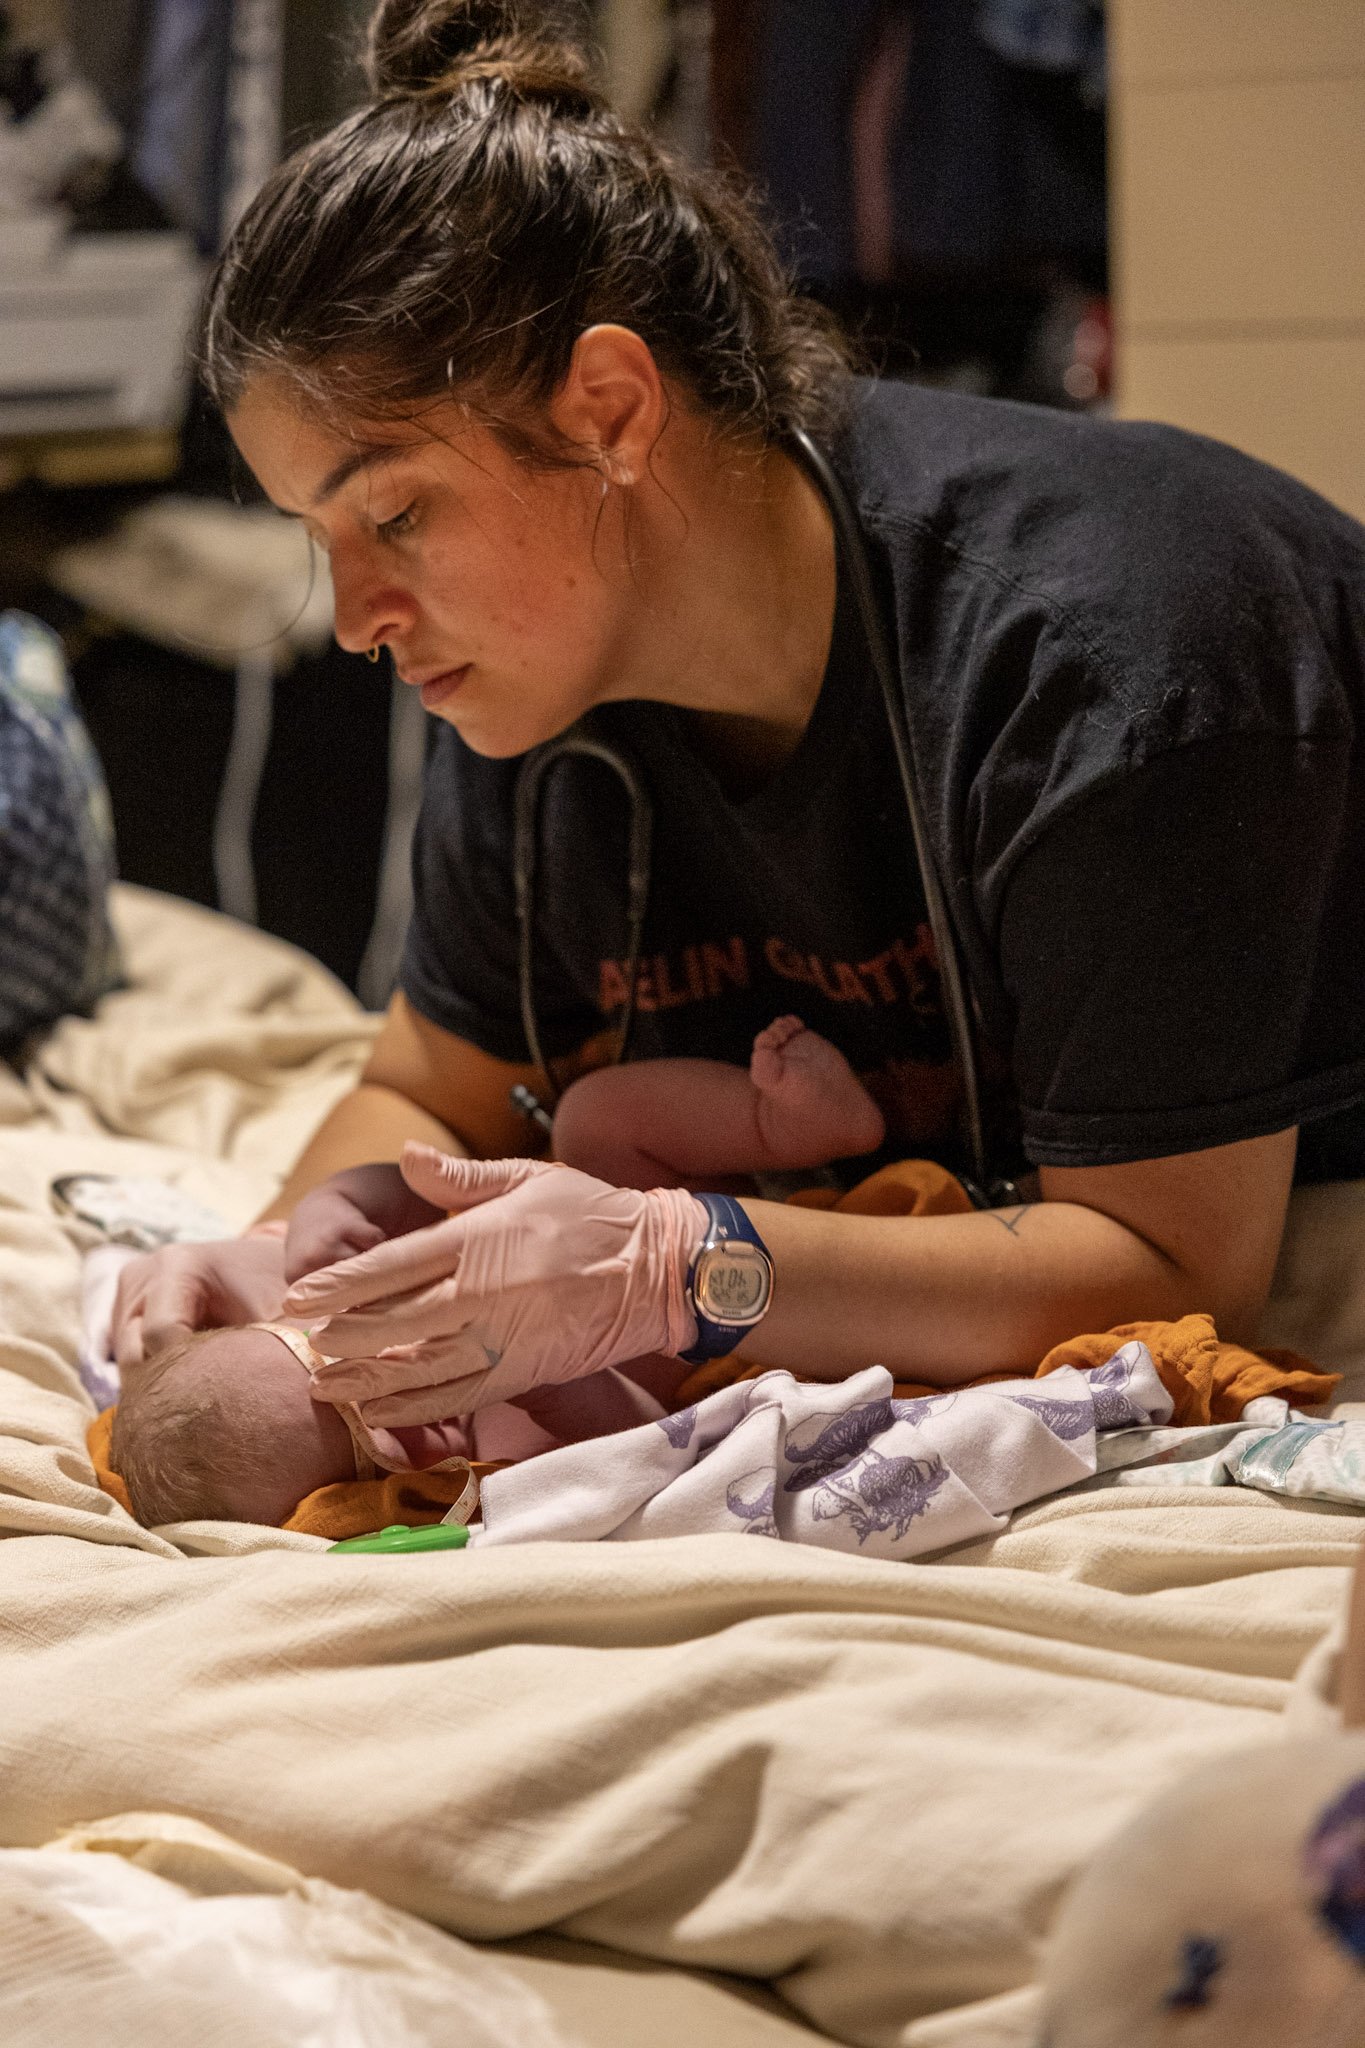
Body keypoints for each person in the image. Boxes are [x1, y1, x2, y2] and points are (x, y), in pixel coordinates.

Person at [113, 0, 1365, 1433]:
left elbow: (1171, 1268)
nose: (354, 618)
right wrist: (294, 1260)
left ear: (608, 410)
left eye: (394, 512)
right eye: (313, 537)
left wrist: (685, 1268)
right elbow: (432, 1085)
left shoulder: (1108, 648)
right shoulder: (538, 686)